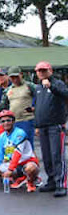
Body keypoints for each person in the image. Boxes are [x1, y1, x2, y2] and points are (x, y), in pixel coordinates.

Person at [33, 61, 68, 197]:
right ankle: (52, 181)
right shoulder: (38, 87)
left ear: (50, 71)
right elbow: (39, 106)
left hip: (55, 125)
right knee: (47, 156)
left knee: (57, 155)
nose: (41, 72)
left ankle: (61, 184)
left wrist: (52, 87)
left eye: (44, 70)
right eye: (39, 70)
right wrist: (36, 123)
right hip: (42, 126)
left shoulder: (57, 83)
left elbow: (65, 94)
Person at [0, 110, 40, 193]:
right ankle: (19, 178)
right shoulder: (2, 136)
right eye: (3, 121)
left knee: (31, 169)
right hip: (14, 163)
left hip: (26, 162)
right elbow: (0, 153)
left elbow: (17, 153)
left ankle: (32, 181)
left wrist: (10, 170)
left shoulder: (20, 133)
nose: (6, 123)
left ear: (13, 121)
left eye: (8, 120)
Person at [0, 66, 36, 148]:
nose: (14, 79)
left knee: (27, 144)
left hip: (27, 120)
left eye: (16, 76)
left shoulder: (30, 86)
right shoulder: (8, 90)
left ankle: (30, 160)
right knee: (12, 144)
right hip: (13, 121)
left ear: (21, 75)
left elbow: (39, 97)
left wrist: (34, 107)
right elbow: (2, 105)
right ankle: (12, 160)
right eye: (12, 77)